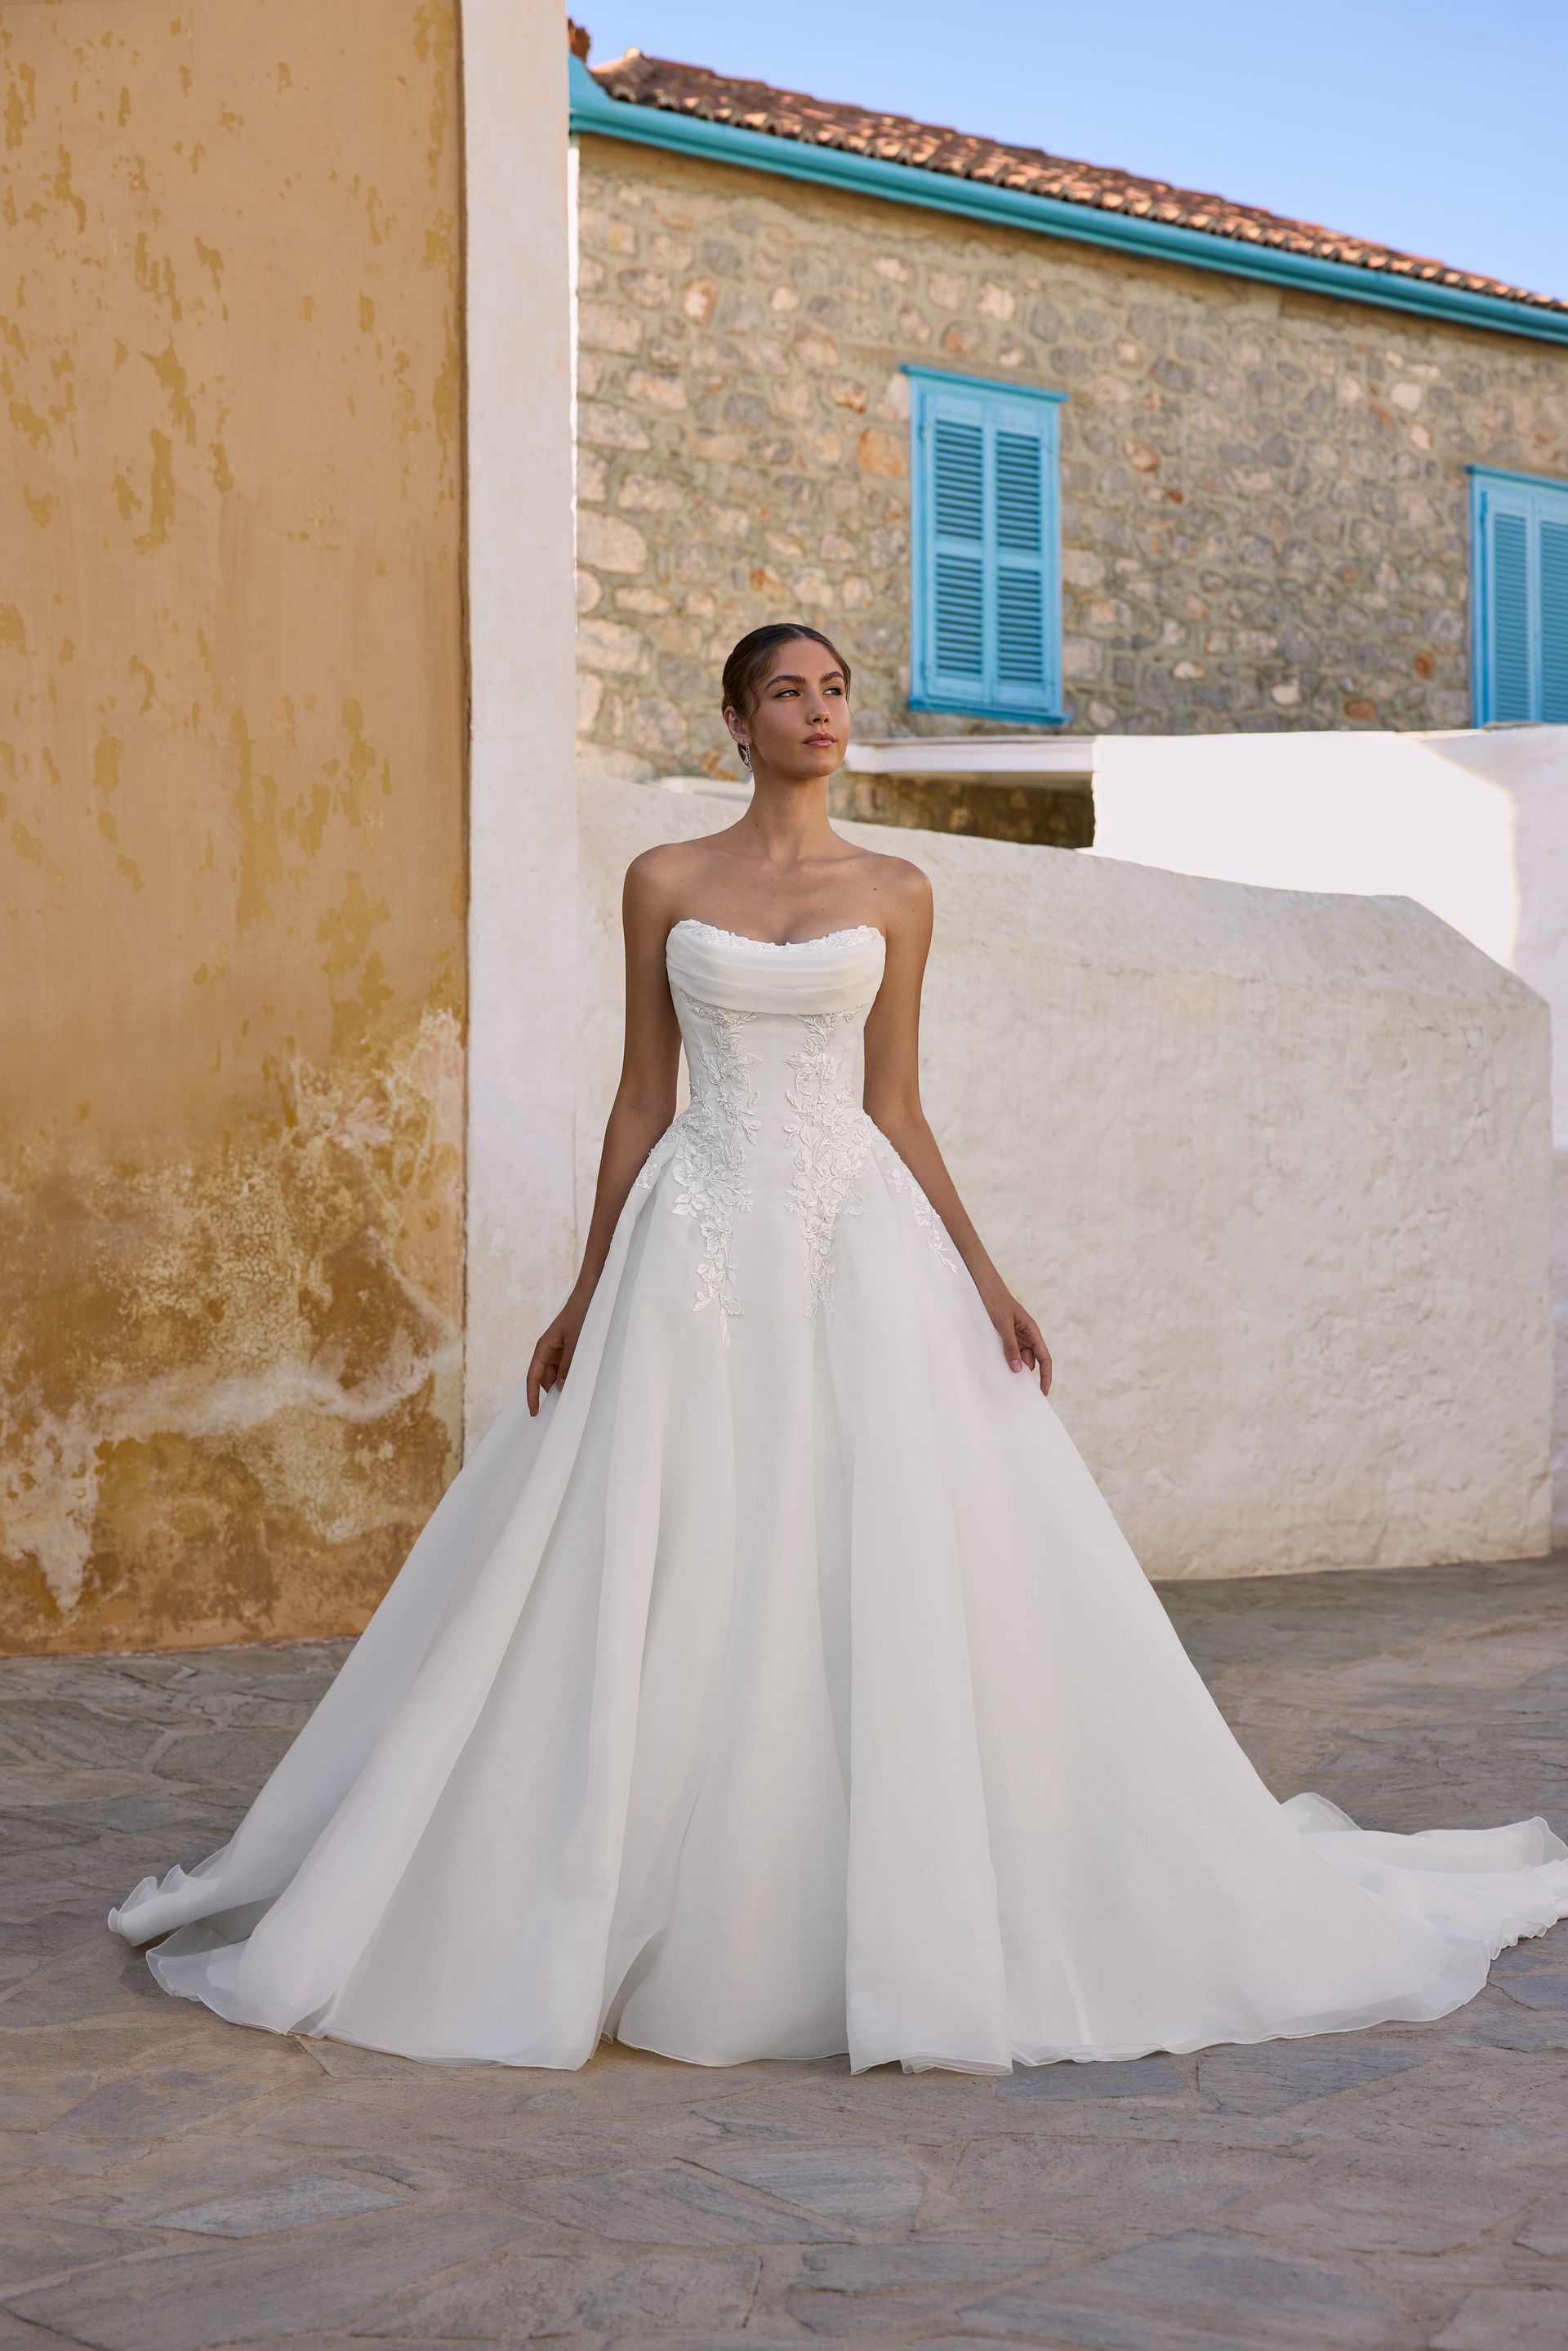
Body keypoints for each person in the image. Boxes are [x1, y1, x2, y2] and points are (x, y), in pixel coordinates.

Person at [112, 622, 1568, 2074]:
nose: (821, 713)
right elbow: (637, 1097)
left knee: (858, 1550)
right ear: (735, 723)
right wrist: (583, 1287)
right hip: (694, 1250)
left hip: (856, 1247)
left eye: (835, 691)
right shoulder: (665, 881)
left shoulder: (901, 890)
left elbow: (898, 1103)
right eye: (789, 694)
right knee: (673, 1553)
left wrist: (986, 1278)